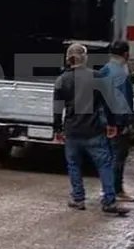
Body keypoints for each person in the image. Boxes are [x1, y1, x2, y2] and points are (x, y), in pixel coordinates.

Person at [53, 43, 128, 216]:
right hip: (94, 130)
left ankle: (78, 199)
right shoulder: (96, 76)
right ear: (85, 57)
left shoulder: (62, 79)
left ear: (68, 58)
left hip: (72, 130)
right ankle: (109, 201)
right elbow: (108, 103)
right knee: (104, 164)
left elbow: (57, 108)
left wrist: (57, 128)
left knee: (74, 165)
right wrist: (112, 124)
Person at [95, 40, 134, 202]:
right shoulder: (121, 73)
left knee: (108, 156)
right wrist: (124, 123)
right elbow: (122, 101)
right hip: (117, 121)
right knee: (118, 156)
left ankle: (108, 188)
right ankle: (114, 190)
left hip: (103, 119)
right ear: (126, 54)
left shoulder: (104, 70)